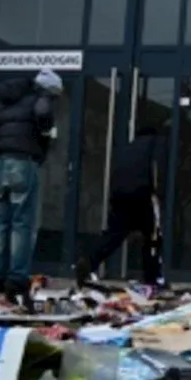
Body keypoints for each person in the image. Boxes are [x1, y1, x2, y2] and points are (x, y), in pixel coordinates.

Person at [0, 68, 62, 308]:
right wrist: (44, 132)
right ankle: (16, 278)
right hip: (24, 163)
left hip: (2, 163)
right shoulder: (40, 98)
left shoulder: (10, 101)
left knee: (3, 222)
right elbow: (44, 112)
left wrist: (4, 137)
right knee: (22, 222)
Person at [75, 124, 169, 289]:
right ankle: (152, 278)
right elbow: (158, 168)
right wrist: (158, 193)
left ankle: (90, 260)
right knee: (152, 236)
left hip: (121, 194)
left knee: (114, 234)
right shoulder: (157, 143)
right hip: (143, 193)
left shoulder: (128, 148)